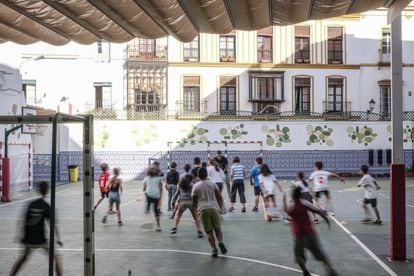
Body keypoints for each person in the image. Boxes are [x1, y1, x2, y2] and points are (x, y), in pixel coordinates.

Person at [10, 181, 63, 276]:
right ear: (47, 191)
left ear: (39, 190)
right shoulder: (46, 207)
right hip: (41, 240)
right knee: (56, 258)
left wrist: (20, 236)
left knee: (23, 258)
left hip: (29, 239)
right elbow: (53, 224)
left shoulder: (31, 204)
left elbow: (23, 221)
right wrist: (58, 239)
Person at [283, 186, 338, 276]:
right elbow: (319, 211)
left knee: (298, 256)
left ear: (292, 196)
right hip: (310, 233)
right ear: (300, 195)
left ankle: (305, 272)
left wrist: (283, 199)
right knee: (319, 253)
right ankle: (331, 270)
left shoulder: (291, 206)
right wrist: (327, 221)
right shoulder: (305, 203)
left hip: (299, 235)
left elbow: (286, 210)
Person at [192, 168, 227, 257]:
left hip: (203, 210)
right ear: (206, 174)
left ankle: (214, 249)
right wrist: (222, 207)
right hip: (214, 208)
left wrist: (196, 212)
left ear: (198, 175)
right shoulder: (213, 184)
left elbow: (194, 202)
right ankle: (220, 242)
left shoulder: (196, 186)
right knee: (218, 229)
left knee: (209, 232)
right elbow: (219, 197)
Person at [143, 166, 163, 231]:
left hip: (148, 194)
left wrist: (145, 191)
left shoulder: (146, 178)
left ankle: (148, 207)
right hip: (156, 195)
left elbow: (144, 188)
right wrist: (160, 196)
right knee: (156, 211)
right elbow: (160, 188)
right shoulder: (159, 179)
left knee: (147, 194)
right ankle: (158, 226)